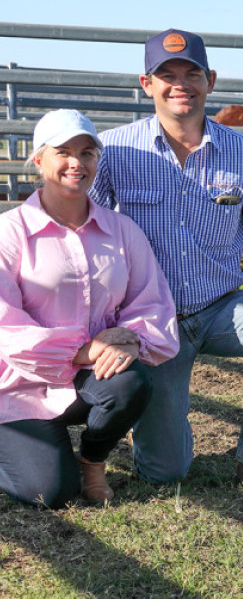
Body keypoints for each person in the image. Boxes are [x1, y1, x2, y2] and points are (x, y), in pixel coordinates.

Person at [89, 28, 243, 495]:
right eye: (167, 75)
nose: (180, 84)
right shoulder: (114, 151)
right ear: (146, 84)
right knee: (166, 472)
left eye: (191, 74)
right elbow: (86, 233)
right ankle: (155, 443)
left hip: (219, 308)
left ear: (210, 80)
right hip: (148, 320)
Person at [0, 109, 179, 508]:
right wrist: (82, 350)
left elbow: (151, 301)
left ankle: (92, 460)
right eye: (63, 152)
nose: (76, 163)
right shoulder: (9, 234)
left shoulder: (121, 231)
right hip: (18, 384)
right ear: (39, 160)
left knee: (130, 382)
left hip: (84, 378)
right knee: (47, 493)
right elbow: (5, 329)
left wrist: (130, 338)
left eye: (87, 152)